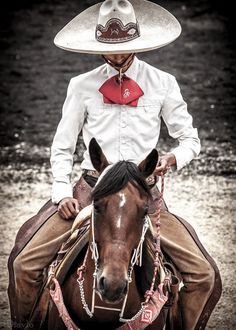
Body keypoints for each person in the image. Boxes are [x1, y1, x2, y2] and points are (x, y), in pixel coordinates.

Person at [8, 0, 222, 329]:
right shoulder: (80, 86)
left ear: (137, 43)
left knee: (203, 275)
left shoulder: (162, 82)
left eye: (125, 47)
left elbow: (190, 140)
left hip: (141, 195)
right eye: (110, 48)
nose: (117, 55)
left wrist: (171, 158)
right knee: (24, 264)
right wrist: (62, 190)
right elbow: (63, 145)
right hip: (92, 190)